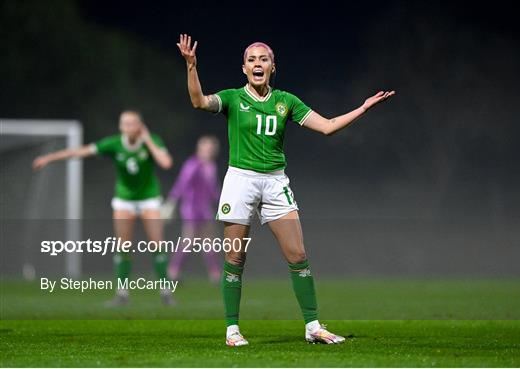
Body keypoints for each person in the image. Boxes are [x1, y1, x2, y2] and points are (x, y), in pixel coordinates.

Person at [177, 34, 395, 346]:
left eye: (263, 59)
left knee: (298, 254)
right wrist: (191, 66)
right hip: (240, 179)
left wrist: (363, 108)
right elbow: (198, 101)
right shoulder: (233, 99)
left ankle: (313, 327)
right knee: (235, 258)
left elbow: (328, 126)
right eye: (251, 59)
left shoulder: (286, 102)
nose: (257, 63)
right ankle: (232, 330)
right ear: (243, 68)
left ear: (272, 67)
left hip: (276, 182)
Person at [33, 110, 176, 306]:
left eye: (132, 123)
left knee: (157, 245)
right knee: (123, 246)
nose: (128, 127)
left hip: (149, 198)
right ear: (120, 126)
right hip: (124, 199)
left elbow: (166, 163)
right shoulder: (114, 143)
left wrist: (148, 139)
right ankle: (122, 294)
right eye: (124, 123)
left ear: (140, 126)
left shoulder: (153, 141)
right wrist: (49, 158)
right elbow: (79, 152)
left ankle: (166, 292)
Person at [163, 135, 221, 283]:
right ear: (199, 148)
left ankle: (214, 273)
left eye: (211, 148)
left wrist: (223, 204)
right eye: (206, 147)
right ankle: (173, 271)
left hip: (205, 208)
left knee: (208, 241)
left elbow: (213, 190)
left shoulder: (211, 166)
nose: (209, 150)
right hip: (191, 208)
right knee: (188, 240)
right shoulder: (193, 164)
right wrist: (171, 201)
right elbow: (182, 183)